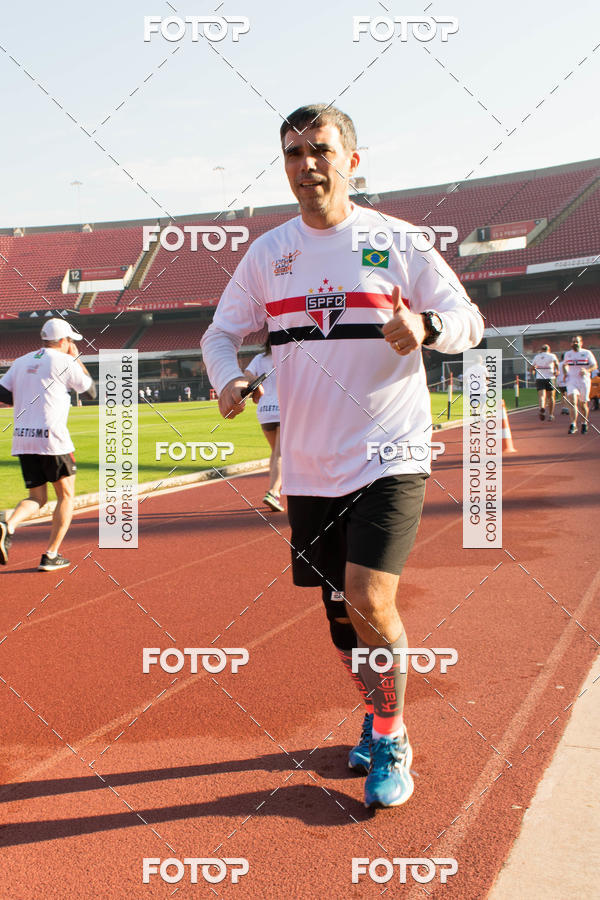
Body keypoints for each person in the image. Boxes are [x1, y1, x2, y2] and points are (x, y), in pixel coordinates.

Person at [201, 104, 484, 809]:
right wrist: (226, 379)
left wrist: (425, 324)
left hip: (391, 453)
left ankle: (391, 733)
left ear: (351, 161)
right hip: (307, 467)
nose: (307, 165)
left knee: (368, 597)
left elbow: (470, 322)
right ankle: (376, 708)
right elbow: (218, 335)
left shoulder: (400, 241)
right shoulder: (268, 254)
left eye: (320, 149)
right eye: (293, 154)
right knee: (338, 618)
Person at [0, 318, 96, 571]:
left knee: (37, 497)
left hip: (23, 437)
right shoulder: (65, 361)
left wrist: (26, 393)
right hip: (52, 438)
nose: (71, 346)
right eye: (70, 343)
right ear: (64, 341)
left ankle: (7, 526)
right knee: (66, 496)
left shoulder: (21, 361)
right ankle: (51, 554)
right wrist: (77, 360)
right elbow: (90, 392)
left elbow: (2, 393)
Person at [243, 335, 283, 512]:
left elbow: (246, 373)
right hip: (283, 408)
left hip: (265, 410)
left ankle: (273, 488)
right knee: (281, 454)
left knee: (275, 452)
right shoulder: (285, 355)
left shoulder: (259, 359)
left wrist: (256, 385)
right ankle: (274, 492)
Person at [563, 335, 597, 434]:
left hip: (583, 381)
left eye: (577, 342)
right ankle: (573, 424)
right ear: (571, 343)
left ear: (581, 343)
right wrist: (565, 373)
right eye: (573, 342)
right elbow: (565, 364)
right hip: (572, 380)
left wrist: (587, 370)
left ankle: (584, 423)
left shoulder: (587, 353)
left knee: (583, 404)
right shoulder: (568, 354)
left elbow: (594, 365)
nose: (575, 343)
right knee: (572, 401)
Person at [530, 343, 559, 421]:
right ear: (548, 349)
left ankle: (542, 408)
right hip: (550, 378)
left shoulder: (537, 357)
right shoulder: (552, 356)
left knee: (542, 396)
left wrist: (532, 373)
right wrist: (557, 371)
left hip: (539, 378)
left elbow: (532, 368)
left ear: (541, 350)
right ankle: (551, 415)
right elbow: (557, 364)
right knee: (551, 397)